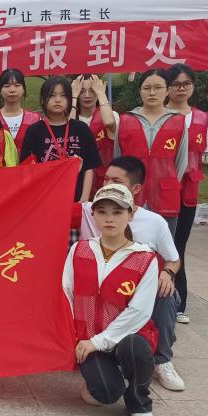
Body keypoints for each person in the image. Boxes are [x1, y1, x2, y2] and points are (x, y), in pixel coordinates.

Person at [77, 157, 186, 392]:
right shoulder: (89, 211)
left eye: (116, 181)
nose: (108, 184)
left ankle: (162, 360)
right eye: (106, 179)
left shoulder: (154, 222)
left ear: (135, 189)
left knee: (165, 292)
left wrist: (167, 273)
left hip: (137, 289)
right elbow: (47, 206)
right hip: (101, 290)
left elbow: (174, 258)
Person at [63, 183, 160, 416]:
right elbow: (66, 293)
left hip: (126, 337)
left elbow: (139, 311)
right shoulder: (80, 250)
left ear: (131, 214)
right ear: (93, 215)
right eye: (102, 212)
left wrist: (100, 341)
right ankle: (103, 379)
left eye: (117, 212)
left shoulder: (144, 259)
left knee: (135, 347)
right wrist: (77, 339)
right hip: (88, 339)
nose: (109, 219)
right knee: (105, 394)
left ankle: (139, 402)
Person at [113, 70, 187, 232]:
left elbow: (181, 163)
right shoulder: (126, 121)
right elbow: (117, 160)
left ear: (167, 91)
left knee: (164, 244)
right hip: (131, 196)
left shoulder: (178, 122)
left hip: (165, 197)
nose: (152, 92)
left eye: (158, 87)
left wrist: (168, 181)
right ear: (140, 91)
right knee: (129, 244)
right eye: (146, 88)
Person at [165, 63, 208, 324]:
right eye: (176, 84)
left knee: (178, 246)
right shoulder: (161, 115)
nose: (181, 89)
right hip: (163, 188)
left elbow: (201, 155)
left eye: (186, 84)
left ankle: (179, 300)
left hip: (188, 190)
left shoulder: (202, 118)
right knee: (159, 243)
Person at [21, 77, 101, 199]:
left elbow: (89, 168)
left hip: (76, 198)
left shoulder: (81, 129)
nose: (58, 100)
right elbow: (27, 170)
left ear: (70, 100)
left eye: (63, 96)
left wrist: (83, 200)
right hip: (44, 198)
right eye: (52, 95)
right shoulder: (34, 131)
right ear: (42, 99)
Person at [73, 74, 118, 198]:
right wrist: (73, 96)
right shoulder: (70, 117)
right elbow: (68, 129)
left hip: (103, 185)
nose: (87, 95)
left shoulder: (111, 115)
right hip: (76, 185)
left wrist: (101, 93)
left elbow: (109, 122)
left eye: (92, 91)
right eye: (82, 91)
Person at [0, 69, 41, 152]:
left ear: (24, 89)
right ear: (0, 90)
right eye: (7, 86)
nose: (12, 90)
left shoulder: (35, 119)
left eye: (17, 85)